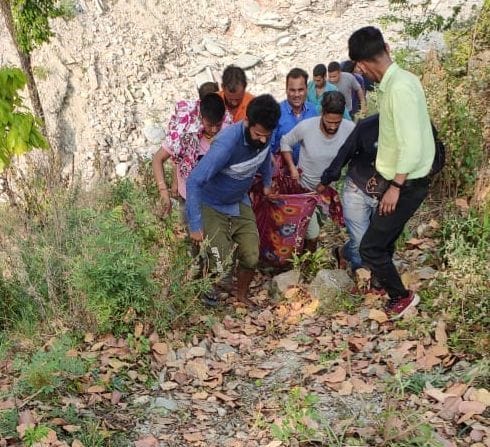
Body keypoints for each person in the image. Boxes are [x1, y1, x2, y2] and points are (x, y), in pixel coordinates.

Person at [348, 26, 435, 318]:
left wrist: (395, 187)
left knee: (370, 248)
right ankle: (384, 285)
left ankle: (401, 297)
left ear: (361, 65)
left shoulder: (398, 89)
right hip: (401, 180)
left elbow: (411, 145)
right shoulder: (403, 80)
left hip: (407, 183)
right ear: (386, 47)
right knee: (383, 240)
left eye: (359, 68)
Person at [186, 94, 281, 307]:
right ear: (247, 122)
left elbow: (264, 156)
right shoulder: (226, 145)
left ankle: (241, 294)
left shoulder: (265, 134)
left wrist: (267, 184)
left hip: (238, 201)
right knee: (221, 262)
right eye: (258, 134)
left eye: (267, 135)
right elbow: (194, 181)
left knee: (251, 255)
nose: (263, 140)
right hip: (211, 203)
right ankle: (207, 292)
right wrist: (195, 225)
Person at [280, 91, 355, 252]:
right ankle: (305, 261)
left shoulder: (350, 129)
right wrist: (292, 168)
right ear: (322, 113)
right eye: (329, 122)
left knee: (313, 229)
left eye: (337, 122)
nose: (333, 127)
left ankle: (302, 256)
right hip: (304, 191)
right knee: (312, 234)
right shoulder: (307, 127)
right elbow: (285, 142)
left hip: (327, 193)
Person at [318, 114, 385, 294]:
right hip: (357, 187)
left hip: (386, 193)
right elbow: (345, 152)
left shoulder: (409, 128)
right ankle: (362, 278)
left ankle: (343, 252)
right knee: (360, 240)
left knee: (377, 240)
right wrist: (326, 180)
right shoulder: (368, 126)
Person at [152, 90, 230, 216]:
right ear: (201, 118)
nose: (214, 130)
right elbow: (158, 159)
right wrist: (163, 191)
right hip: (188, 197)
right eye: (210, 125)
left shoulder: (228, 132)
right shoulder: (185, 133)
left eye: (218, 125)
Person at [270, 68, 318, 165]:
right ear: (286, 90)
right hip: (282, 170)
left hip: (307, 169)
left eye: (300, 90)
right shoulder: (275, 113)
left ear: (306, 90)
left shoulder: (313, 111)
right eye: (292, 90)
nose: (296, 95)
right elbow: (268, 148)